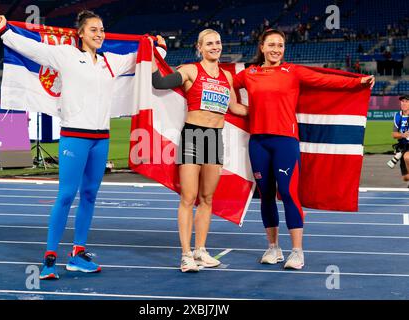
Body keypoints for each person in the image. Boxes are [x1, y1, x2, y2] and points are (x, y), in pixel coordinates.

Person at [0, 11, 166, 280]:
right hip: (74, 136)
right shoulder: (66, 55)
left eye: (102, 30)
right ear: (81, 33)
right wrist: (5, 32)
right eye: (94, 29)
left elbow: (141, 60)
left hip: (101, 139)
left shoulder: (110, 62)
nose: (99, 34)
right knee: (65, 196)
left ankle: (77, 254)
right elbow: (34, 49)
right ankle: (50, 258)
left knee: (89, 196)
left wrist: (158, 48)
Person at [234, 29, 374, 270]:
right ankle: (273, 248)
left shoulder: (293, 72)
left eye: (280, 45)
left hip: (285, 142)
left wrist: (357, 81)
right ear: (262, 47)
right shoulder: (249, 73)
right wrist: (242, 109)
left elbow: (326, 81)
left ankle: (297, 252)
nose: (276, 49)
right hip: (258, 142)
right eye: (272, 44)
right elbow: (223, 83)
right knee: (265, 195)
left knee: (288, 193)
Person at [150, 29, 248, 272]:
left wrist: (268, 108)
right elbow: (160, 82)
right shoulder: (191, 70)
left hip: (215, 137)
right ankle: (186, 255)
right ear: (200, 48)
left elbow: (235, 107)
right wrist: (151, 52)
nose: (215, 47)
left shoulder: (227, 77)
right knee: (189, 197)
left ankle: (201, 250)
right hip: (194, 135)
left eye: (218, 42)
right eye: (210, 43)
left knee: (207, 198)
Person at [391, 95, 409, 183]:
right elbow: (394, 134)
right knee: (406, 178)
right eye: (402, 101)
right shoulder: (398, 116)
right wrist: (403, 135)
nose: (404, 103)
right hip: (403, 146)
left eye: (406, 101)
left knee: (407, 157)